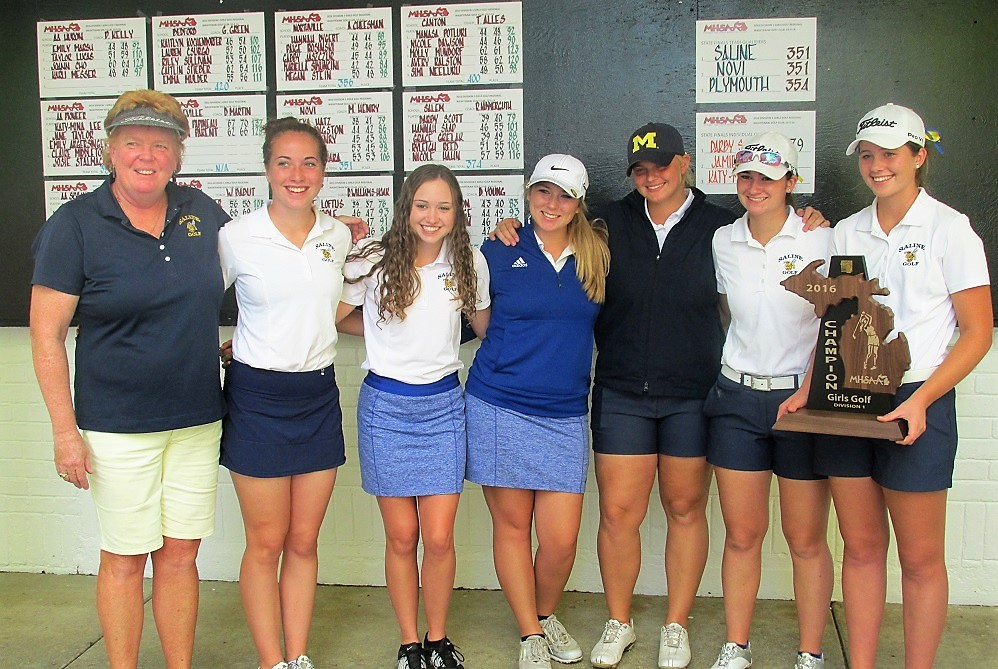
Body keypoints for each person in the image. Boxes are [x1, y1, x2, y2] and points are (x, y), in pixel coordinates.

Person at [492, 123, 827, 669]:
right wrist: (509, 228)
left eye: (662, 166)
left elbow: (763, 260)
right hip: (621, 389)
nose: (652, 176)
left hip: (693, 394)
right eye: (641, 169)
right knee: (620, 512)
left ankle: (676, 624)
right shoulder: (605, 223)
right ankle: (619, 621)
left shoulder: (722, 226)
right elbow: (548, 231)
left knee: (685, 508)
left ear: (685, 164)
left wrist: (810, 218)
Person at [780, 103, 992, 669]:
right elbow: (837, 323)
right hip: (849, 399)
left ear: (920, 155)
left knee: (921, 559)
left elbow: (976, 333)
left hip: (917, 401)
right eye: (868, 156)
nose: (877, 167)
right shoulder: (848, 231)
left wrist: (921, 401)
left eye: (891, 154)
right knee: (863, 548)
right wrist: (811, 387)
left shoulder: (951, 230)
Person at [29, 89, 230, 668]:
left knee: (181, 555)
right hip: (116, 428)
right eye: (134, 142)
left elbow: (265, 251)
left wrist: (324, 228)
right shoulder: (75, 224)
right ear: (111, 150)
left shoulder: (200, 211)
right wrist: (65, 432)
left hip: (195, 419)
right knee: (123, 555)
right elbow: (47, 336)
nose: (148, 155)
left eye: (161, 144)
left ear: (179, 154)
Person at [219, 117, 360, 669]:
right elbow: (186, 298)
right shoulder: (237, 237)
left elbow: (336, 308)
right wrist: (229, 345)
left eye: (309, 163)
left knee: (304, 541)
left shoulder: (339, 236)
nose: (296, 175)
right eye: (284, 162)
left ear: (323, 172)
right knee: (266, 542)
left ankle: (297, 657)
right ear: (267, 170)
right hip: (257, 399)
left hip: (318, 396)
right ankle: (270, 660)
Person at [340, 164, 490, 669]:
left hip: (444, 406)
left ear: (457, 214)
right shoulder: (372, 259)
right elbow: (340, 316)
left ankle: (438, 638)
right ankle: (410, 643)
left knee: (440, 536)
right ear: (406, 207)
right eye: (422, 205)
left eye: (444, 207)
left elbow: (482, 324)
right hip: (385, 408)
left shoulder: (469, 261)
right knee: (402, 537)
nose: (432, 216)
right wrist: (383, 336)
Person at [465, 154, 609, 669]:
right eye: (543, 192)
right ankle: (530, 633)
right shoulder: (497, 250)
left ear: (578, 203)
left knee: (560, 541)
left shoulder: (597, 255)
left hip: (565, 412)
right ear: (528, 195)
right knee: (511, 527)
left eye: (564, 195)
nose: (552, 204)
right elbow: (481, 325)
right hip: (499, 404)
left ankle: (545, 615)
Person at [705, 133, 832, 669]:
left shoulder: (821, 240)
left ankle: (811, 652)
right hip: (737, 398)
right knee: (742, 534)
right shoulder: (722, 241)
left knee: (805, 539)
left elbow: (837, 323)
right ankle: (737, 646)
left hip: (799, 406)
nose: (756, 187)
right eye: (747, 177)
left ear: (791, 183)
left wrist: (809, 388)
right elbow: (722, 313)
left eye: (768, 177)